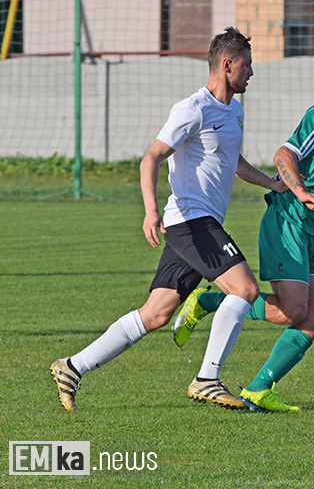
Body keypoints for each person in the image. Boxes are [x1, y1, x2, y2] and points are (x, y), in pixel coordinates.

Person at [50, 27, 287, 411]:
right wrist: (150, 210)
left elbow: (234, 163)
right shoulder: (192, 109)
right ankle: (208, 378)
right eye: (247, 65)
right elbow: (151, 158)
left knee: (156, 314)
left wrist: (272, 185)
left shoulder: (235, 110)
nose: (251, 72)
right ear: (227, 65)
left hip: (196, 223)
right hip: (191, 221)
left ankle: (72, 366)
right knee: (244, 290)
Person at [171, 45, 314, 411]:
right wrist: (301, 191)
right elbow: (284, 156)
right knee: (292, 311)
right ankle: (210, 299)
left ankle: (258, 388)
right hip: (290, 218)